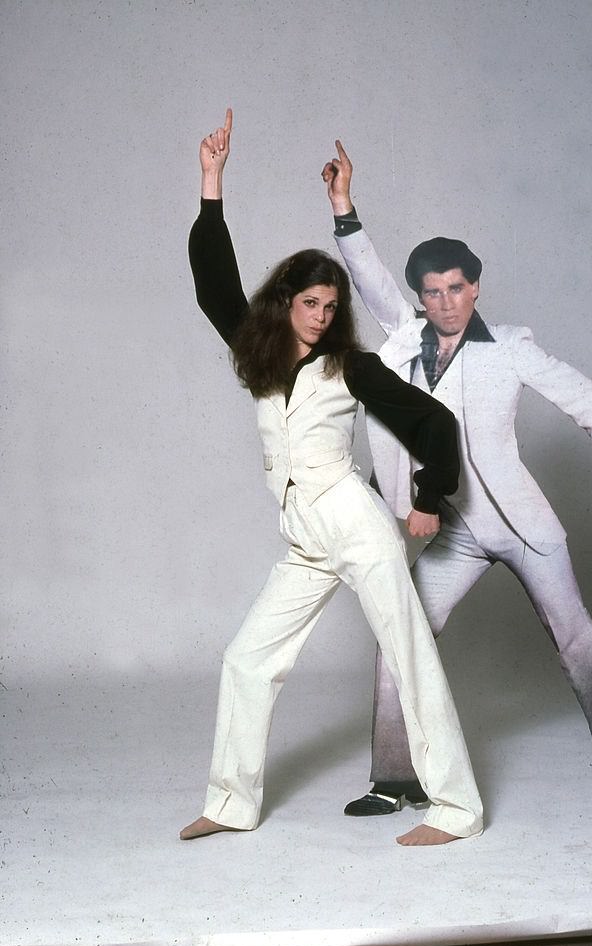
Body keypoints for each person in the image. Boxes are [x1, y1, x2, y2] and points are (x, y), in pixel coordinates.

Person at [321, 141, 592, 817]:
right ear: (421, 296)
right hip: (456, 534)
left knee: (576, 640)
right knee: (401, 634)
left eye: (456, 288)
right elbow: (370, 279)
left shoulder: (509, 347)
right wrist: (343, 209)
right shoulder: (402, 340)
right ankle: (395, 779)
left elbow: (586, 398)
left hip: (527, 529)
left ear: (475, 287)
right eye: (432, 291)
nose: (445, 302)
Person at [179, 109, 484, 847]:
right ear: (286, 302)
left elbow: (435, 426)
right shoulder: (261, 357)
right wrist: (211, 186)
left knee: (410, 659)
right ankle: (232, 801)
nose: (320, 316)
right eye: (309, 303)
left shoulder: (354, 366)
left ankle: (458, 809)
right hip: (305, 537)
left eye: (331, 306)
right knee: (248, 661)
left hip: (356, 525)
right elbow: (213, 284)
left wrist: (425, 499)